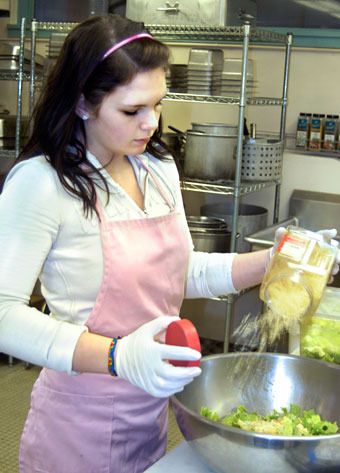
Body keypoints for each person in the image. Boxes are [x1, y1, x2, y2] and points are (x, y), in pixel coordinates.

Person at [0, 14, 338, 473]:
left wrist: (280, 259)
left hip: (151, 410)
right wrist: (119, 356)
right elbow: (3, 315)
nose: (151, 124)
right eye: (132, 110)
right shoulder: (43, 184)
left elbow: (182, 271)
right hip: (80, 420)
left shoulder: (155, 168)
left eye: (158, 104)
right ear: (82, 102)